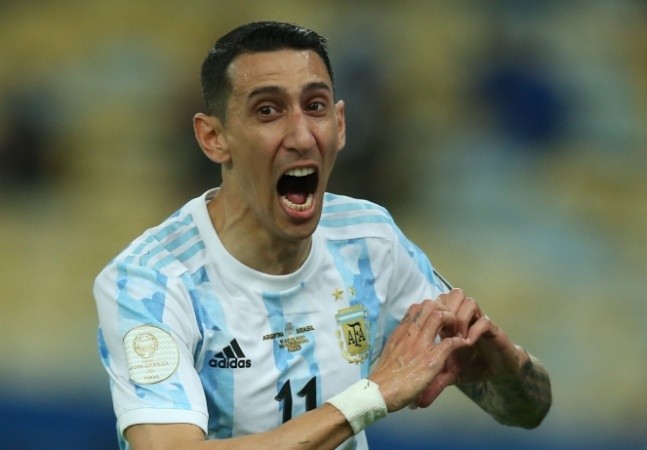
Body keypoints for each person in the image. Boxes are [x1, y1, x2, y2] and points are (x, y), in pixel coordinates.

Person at [93, 21, 552, 450]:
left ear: (340, 124)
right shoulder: (150, 282)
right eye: (267, 111)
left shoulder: (369, 242)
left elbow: (528, 410)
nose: (300, 136)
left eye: (315, 107)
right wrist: (371, 397)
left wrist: (506, 368)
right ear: (213, 137)